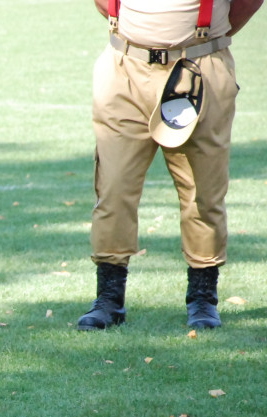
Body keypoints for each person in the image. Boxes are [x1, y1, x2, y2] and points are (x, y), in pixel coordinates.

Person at [77, 0, 261, 331]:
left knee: (202, 191)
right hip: (125, 66)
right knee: (113, 188)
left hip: (199, 65)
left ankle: (203, 298)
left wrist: (204, 38)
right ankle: (109, 299)